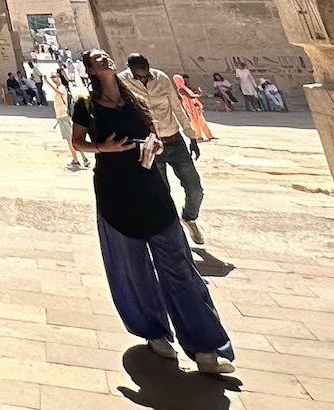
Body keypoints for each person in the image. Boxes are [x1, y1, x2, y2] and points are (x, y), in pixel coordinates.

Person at [73, 50, 236, 375]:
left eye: (105, 54)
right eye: (97, 58)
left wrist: (155, 144)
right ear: (90, 68)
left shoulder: (133, 97)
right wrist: (104, 148)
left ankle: (205, 348)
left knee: (179, 268)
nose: (104, 58)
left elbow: (151, 131)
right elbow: (77, 142)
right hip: (115, 191)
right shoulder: (85, 103)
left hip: (151, 187)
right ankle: (155, 333)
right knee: (134, 270)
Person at [120, 53, 207, 245]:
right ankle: (170, 230)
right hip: (150, 144)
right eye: (139, 74)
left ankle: (190, 217)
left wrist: (191, 136)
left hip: (174, 139)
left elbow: (176, 107)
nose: (144, 76)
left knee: (195, 187)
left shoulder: (160, 77)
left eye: (146, 70)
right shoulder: (122, 81)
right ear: (130, 68)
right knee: (161, 191)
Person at [174, 74, 214, 143]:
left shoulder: (184, 87)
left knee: (202, 120)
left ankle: (209, 135)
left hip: (194, 105)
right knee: (195, 121)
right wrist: (199, 94)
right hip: (190, 106)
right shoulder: (181, 89)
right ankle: (198, 136)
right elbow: (190, 96)